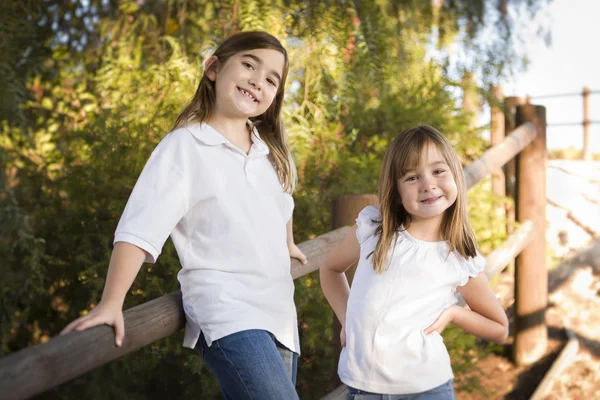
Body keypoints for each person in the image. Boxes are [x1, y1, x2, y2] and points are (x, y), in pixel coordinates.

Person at [61, 31, 306, 400]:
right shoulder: (184, 147)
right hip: (230, 314)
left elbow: (281, 203)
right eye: (249, 64)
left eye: (272, 79)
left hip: (280, 313)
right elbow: (139, 228)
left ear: (275, 97)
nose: (259, 80)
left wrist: (286, 243)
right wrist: (112, 301)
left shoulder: (269, 152)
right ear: (213, 68)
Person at [320, 125, 509, 400]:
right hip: (362, 388)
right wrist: (347, 318)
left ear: (455, 174)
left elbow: (500, 327)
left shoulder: (457, 256)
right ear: (395, 190)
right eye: (411, 177)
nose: (428, 184)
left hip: (426, 390)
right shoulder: (375, 229)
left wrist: (455, 313)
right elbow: (330, 269)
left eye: (438, 171)